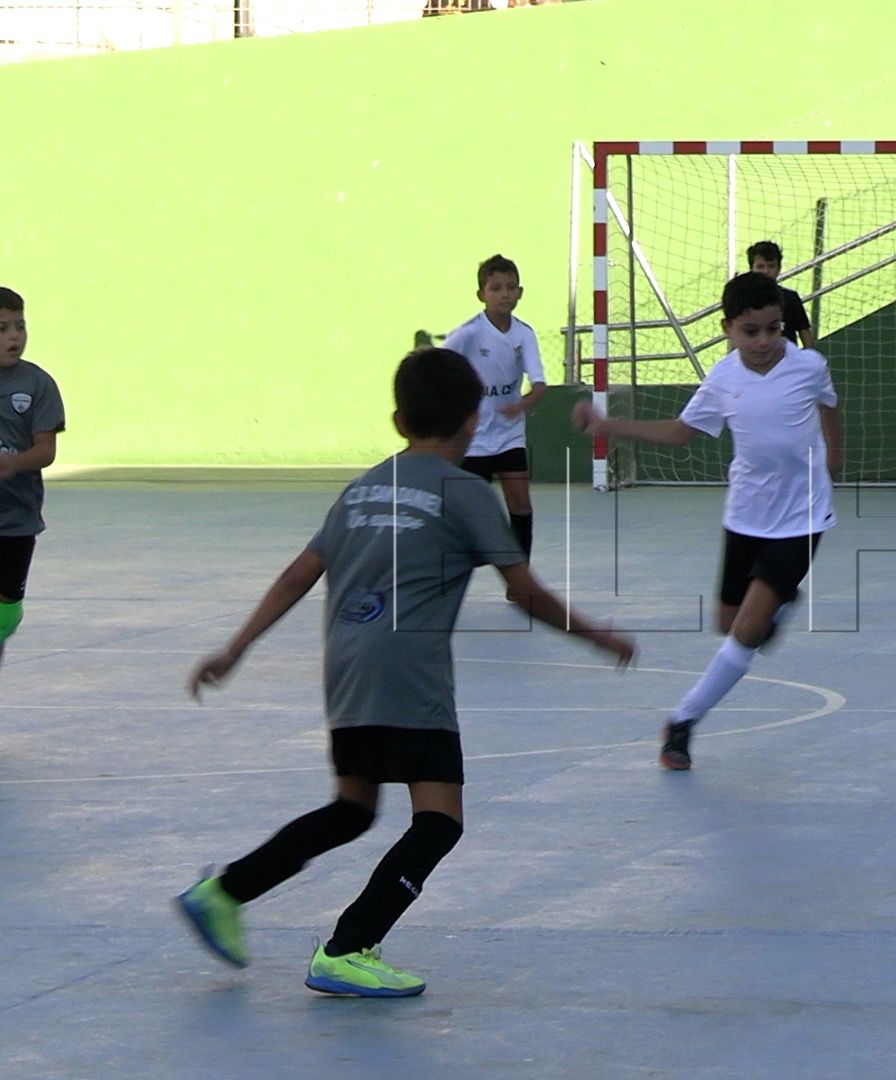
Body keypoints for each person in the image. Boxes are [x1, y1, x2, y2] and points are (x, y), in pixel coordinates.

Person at [175, 348, 633, 996]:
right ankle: (348, 948)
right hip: (407, 670)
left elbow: (299, 573)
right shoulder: (466, 492)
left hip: (347, 667)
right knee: (440, 820)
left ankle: (224, 892)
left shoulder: (363, 486)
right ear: (473, 421)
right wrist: (599, 637)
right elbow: (523, 592)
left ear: (398, 421)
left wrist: (236, 647)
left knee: (351, 809)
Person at [574, 272, 840, 770]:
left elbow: (829, 405)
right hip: (746, 514)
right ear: (727, 329)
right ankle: (780, 603)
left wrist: (833, 458)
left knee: (745, 634)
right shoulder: (723, 379)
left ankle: (682, 722)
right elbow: (680, 433)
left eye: (773, 329)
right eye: (750, 331)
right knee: (727, 624)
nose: (763, 341)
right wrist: (607, 425)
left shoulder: (808, 366)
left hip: (802, 518)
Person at [443, 254, 546, 558]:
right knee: (467, 514)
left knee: (521, 504)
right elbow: (439, 366)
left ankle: (520, 570)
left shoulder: (524, 334)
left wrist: (521, 405)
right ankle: (452, 566)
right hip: (474, 439)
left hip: (509, 436)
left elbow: (540, 385)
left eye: (511, 288)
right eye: (496, 288)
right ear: (482, 294)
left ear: (520, 292)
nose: (505, 294)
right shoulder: (467, 334)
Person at [0, 287, 65, 673]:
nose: (14, 337)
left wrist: (13, 463)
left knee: (4, 616)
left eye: (20, 326)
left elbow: (46, 450)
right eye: (3, 329)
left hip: (16, 521)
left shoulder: (37, 384)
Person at [746, 240, 818, 350]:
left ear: (779, 268)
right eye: (760, 267)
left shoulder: (791, 298)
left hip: (787, 359)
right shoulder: (743, 300)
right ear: (751, 269)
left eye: (771, 266)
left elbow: (805, 334)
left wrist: (808, 358)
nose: (766, 271)